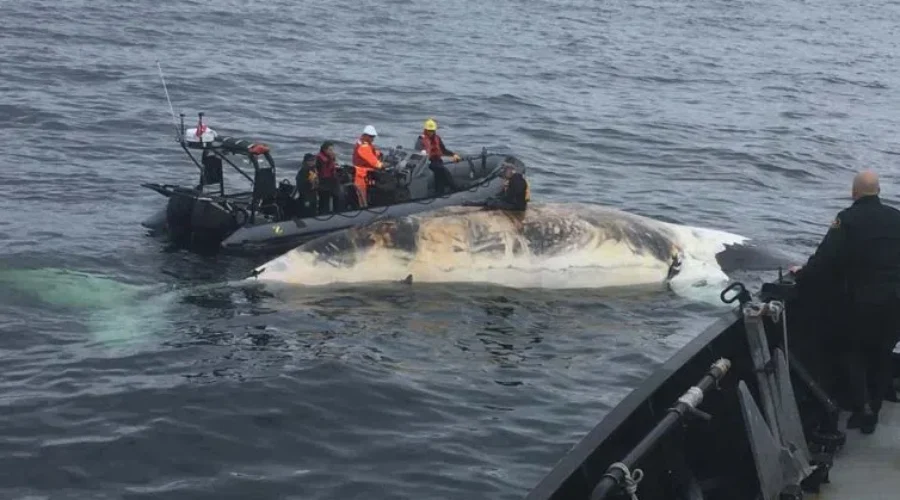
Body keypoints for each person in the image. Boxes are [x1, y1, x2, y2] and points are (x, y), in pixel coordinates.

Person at [789, 169, 900, 434]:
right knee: (883, 352)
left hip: (862, 302)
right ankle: (876, 403)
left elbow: (825, 259)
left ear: (854, 193)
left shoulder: (846, 220)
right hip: (895, 302)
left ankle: (863, 409)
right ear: (879, 192)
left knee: (853, 351)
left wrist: (801, 273)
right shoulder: (897, 218)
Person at [414, 118, 461, 196]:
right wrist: (423, 153)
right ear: (425, 130)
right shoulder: (421, 139)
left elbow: (443, 150)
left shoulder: (437, 138)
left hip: (437, 161)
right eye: (429, 130)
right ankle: (454, 188)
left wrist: (453, 154)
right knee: (442, 170)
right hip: (427, 163)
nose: (431, 132)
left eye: (432, 130)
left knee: (440, 171)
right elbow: (417, 152)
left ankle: (440, 191)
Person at [351, 125, 383, 208]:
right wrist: (384, 165)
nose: (373, 138)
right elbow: (376, 163)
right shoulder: (363, 147)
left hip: (362, 175)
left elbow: (372, 152)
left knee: (363, 197)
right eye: (371, 136)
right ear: (366, 135)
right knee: (363, 199)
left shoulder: (362, 143)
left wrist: (378, 153)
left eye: (373, 136)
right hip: (362, 176)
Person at [315, 141, 344, 213]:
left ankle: (337, 212)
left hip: (332, 180)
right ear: (324, 150)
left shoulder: (330, 157)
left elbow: (332, 167)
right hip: (324, 182)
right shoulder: (319, 158)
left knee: (337, 197)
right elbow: (319, 170)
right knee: (324, 201)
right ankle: (324, 214)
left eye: (332, 150)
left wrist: (333, 159)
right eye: (330, 150)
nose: (332, 151)